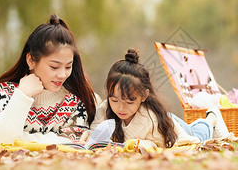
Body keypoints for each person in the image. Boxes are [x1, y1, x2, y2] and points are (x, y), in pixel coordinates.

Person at [0, 14, 97, 144]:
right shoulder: (3, 93)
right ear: (31, 60)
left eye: (68, 66)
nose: (63, 74)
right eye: (54, 67)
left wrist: (21, 138)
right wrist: (22, 96)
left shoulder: (75, 100)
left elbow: (75, 144)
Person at [83, 49, 230, 149]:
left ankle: (212, 118)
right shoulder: (105, 108)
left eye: (129, 102)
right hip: (164, 122)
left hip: (172, 125)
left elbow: (183, 145)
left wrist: (143, 143)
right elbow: (96, 136)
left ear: (144, 96)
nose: (121, 108)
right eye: (114, 100)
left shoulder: (152, 121)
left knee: (197, 134)